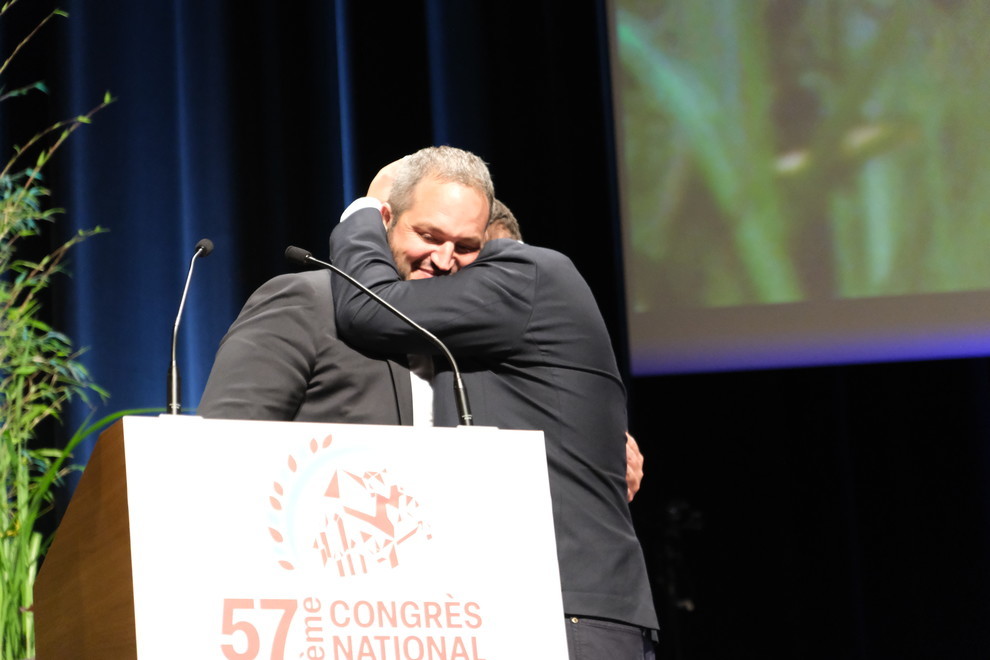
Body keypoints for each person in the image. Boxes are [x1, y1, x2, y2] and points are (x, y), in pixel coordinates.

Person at [329, 153, 658, 658]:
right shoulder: (466, 337)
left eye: (467, 249)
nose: (446, 264)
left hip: (566, 611)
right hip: (495, 608)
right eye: (432, 238)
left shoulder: (531, 271)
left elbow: (371, 307)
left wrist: (364, 210)